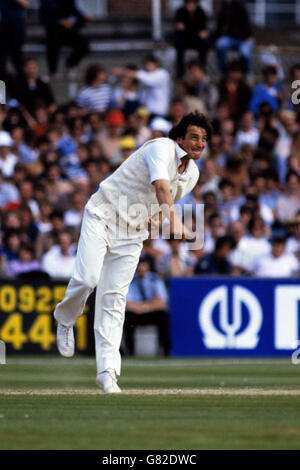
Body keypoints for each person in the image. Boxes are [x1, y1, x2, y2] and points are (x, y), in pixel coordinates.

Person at [53, 111, 212, 393]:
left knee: (114, 299)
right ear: (180, 138)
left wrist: (158, 221)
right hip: (103, 214)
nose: (199, 143)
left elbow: (166, 201)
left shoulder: (194, 173)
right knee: (88, 279)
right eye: (194, 137)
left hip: (133, 232)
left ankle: (107, 372)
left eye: (204, 139)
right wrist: (175, 224)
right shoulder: (160, 148)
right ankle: (65, 318)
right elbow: (161, 187)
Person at [124, 256, 171, 356]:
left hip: (150, 312)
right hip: (136, 313)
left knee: (163, 315)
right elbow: (127, 304)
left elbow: (162, 303)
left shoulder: (156, 279)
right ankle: (129, 351)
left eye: (143, 267)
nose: (141, 270)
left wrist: (143, 307)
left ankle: (165, 350)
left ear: (148, 268)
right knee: (127, 317)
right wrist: (151, 302)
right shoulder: (130, 281)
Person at [39, 0, 91, 78]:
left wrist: (82, 18)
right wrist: (59, 22)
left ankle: (70, 65)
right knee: (52, 46)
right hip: (54, 31)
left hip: (68, 32)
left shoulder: (69, 1)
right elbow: (43, 19)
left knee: (84, 45)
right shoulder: (46, 2)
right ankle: (52, 71)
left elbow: (76, 13)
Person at [215, 0, 254, 73]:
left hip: (245, 38)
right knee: (220, 44)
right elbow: (219, 27)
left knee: (244, 53)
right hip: (231, 38)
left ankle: (246, 72)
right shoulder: (223, 8)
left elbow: (247, 23)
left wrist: (248, 36)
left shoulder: (240, 6)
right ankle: (224, 71)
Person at [173, 0, 209, 78]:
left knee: (204, 43)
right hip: (184, 38)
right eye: (189, 4)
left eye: (192, 4)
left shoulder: (201, 12)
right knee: (179, 44)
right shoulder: (180, 12)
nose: (190, 6)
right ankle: (180, 69)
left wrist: (192, 29)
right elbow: (180, 28)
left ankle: (202, 66)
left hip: (196, 39)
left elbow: (203, 30)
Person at [0, 0, 29, 82]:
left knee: (17, 55)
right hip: (2, 24)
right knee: (1, 57)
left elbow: (25, 3)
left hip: (15, 23)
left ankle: (23, 82)